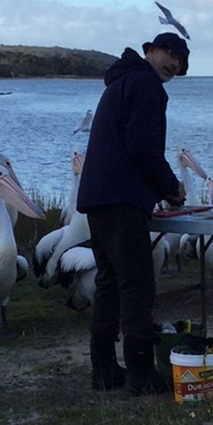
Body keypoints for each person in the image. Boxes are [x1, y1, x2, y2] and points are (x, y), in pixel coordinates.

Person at [77, 31, 190, 395]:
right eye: (169, 53)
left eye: (180, 61)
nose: (174, 63)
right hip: (121, 199)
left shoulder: (123, 81)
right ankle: (141, 372)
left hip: (97, 196)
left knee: (109, 283)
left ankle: (104, 369)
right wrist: (171, 188)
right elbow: (142, 146)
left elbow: (130, 144)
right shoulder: (144, 84)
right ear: (149, 51)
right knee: (138, 284)